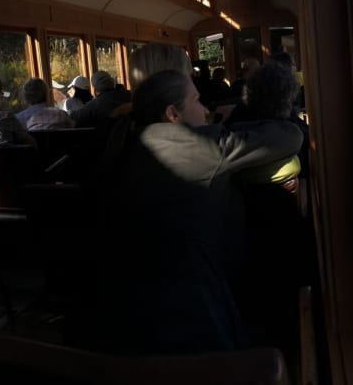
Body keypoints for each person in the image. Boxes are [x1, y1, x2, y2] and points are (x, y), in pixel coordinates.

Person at [96, 70, 302, 355]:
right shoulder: (194, 147)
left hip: (121, 309)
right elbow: (288, 137)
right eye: (196, 100)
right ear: (173, 114)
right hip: (192, 317)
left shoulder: (125, 142)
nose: (205, 110)